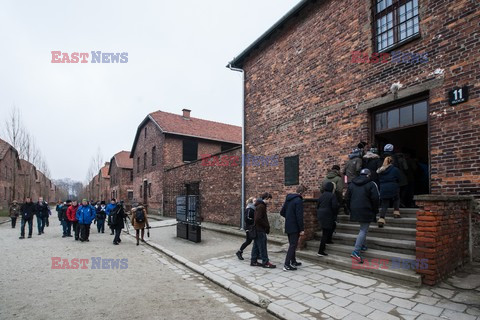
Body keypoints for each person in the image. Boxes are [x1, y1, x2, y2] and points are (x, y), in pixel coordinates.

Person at [345, 168, 379, 263]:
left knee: (362, 228)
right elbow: (376, 198)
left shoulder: (352, 184)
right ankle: (356, 251)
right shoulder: (371, 184)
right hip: (366, 209)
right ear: (368, 175)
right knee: (363, 229)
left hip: (355, 209)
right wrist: (375, 210)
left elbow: (347, 197)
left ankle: (362, 245)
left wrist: (350, 208)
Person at [280, 185, 307, 271]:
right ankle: (286, 264)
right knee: (293, 245)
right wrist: (302, 229)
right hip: (295, 226)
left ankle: (293, 261)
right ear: (301, 192)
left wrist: (289, 217)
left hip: (288, 225)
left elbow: (282, 212)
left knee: (292, 244)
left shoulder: (288, 199)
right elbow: (299, 216)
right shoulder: (298, 200)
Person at [251, 192, 276, 269]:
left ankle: (253, 261)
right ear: (266, 198)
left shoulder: (259, 205)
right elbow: (258, 219)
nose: (270, 201)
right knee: (262, 246)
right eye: (269, 200)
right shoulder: (261, 206)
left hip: (257, 229)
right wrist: (266, 225)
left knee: (256, 246)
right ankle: (265, 262)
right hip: (260, 230)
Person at [377, 156, 401, 227]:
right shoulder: (395, 169)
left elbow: (379, 179)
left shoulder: (380, 170)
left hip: (383, 187)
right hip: (393, 186)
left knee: (384, 204)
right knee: (396, 198)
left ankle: (381, 219)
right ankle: (396, 212)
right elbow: (399, 178)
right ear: (392, 162)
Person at [382, 144, 408, 208]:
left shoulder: (382, 157)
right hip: (397, 178)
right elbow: (405, 168)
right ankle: (399, 205)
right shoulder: (396, 158)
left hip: (385, 179)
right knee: (399, 193)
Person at [316, 182, 339, 257]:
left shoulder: (321, 196)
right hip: (328, 215)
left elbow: (318, 205)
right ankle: (320, 251)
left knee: (332, 226)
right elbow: (334, 206)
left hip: (321, 214)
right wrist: (335, 214)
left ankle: (328, 240)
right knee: (325, 233)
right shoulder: (332, 195)